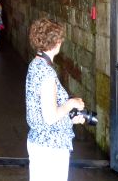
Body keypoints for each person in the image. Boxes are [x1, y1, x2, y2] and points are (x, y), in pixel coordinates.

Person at [25, 18, 85, 181]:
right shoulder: (47, 73)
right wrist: (72, 103)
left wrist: (70, 120)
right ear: (57, 41)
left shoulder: (35, 64)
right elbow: (50, 116)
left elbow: (43, 111)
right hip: (51, 146)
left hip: (39, 141)